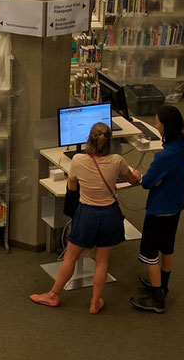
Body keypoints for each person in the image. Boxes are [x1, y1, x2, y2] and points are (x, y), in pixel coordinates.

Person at [30, 122, 141, 314]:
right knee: (102, 260)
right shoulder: (117, 161)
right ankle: (95, 303)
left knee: (70, 257)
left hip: (87, 214)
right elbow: (133, 179)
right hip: (109, 215)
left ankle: (53, 295)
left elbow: (72, 187)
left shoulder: (78, 160)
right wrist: (137, 175)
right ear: (109, 143)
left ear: (89, 139)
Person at [130, 105, 184, 314]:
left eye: (157, 122)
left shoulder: (164, 157)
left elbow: (147, 182)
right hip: (175, 205)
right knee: (167, 246)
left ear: (166, 127)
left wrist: (140, 175)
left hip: (159, 209)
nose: (156, 125)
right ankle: (163, 285)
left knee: (149, 252)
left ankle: (156, 297)